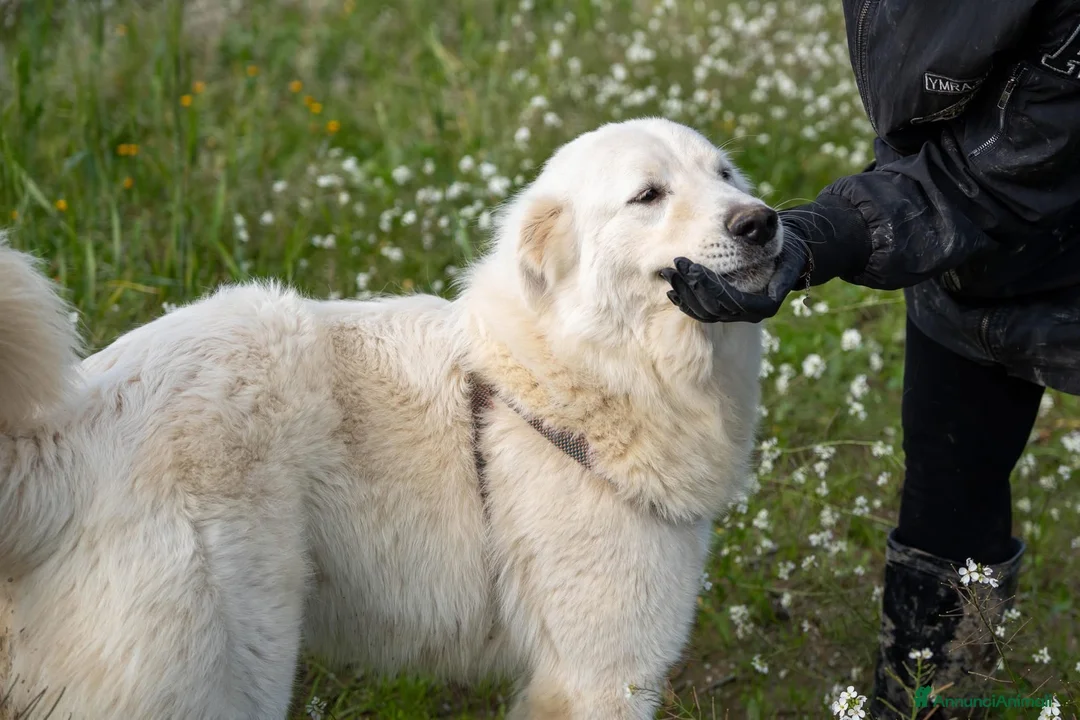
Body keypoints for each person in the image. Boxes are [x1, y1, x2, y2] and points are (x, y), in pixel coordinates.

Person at [662, 1, 1080, 717]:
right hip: (969, 255)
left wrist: (824, 236)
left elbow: (996, 178)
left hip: (1029, 189)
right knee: (949, 494)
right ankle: (930, 703)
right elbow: (942, 133)